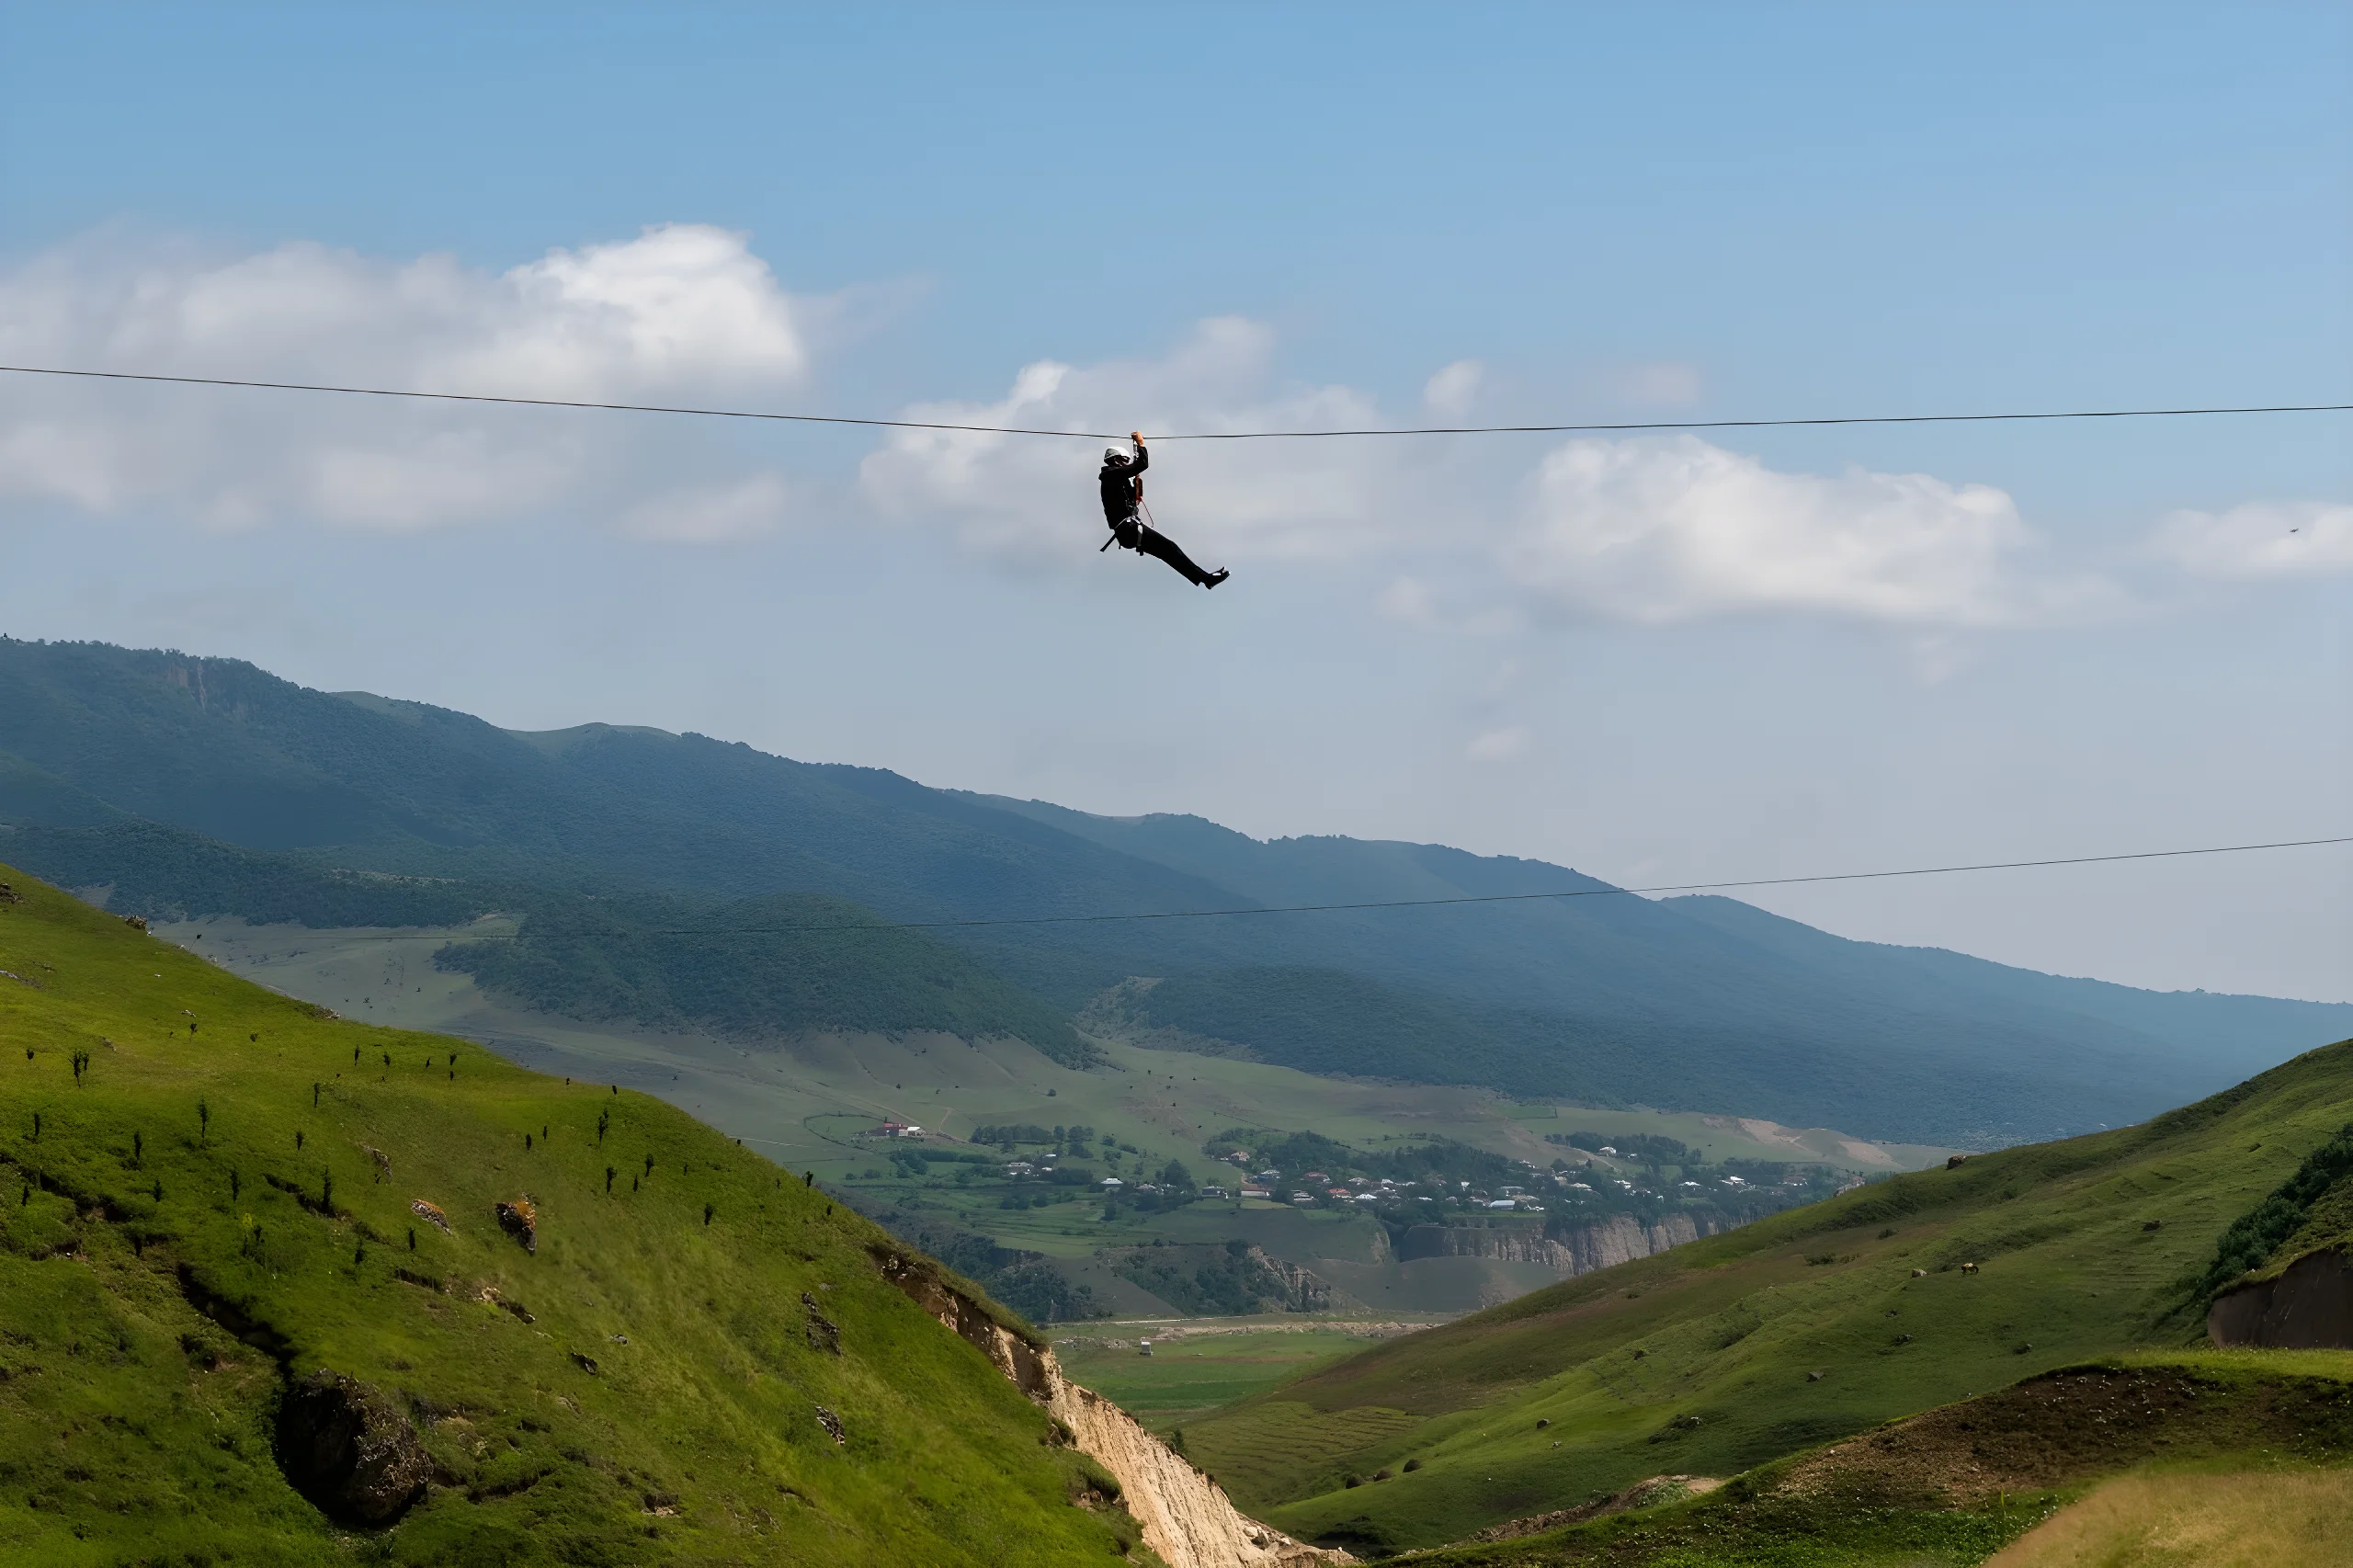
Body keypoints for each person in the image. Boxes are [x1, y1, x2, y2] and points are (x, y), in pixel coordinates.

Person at [1100, 433, 1228, 588]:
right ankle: (1206, 579)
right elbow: (1142, 464)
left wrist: (1136, 485)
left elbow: (1133, 500)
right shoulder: (1110, 475)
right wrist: (1141, 444)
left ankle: (1205, 579)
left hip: (1128, 531)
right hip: (1128, 529)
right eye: (1125, 460)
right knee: (1169, 547)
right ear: (1115, 460)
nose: (1128, 464)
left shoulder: (1117, 479)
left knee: (1168, 552)